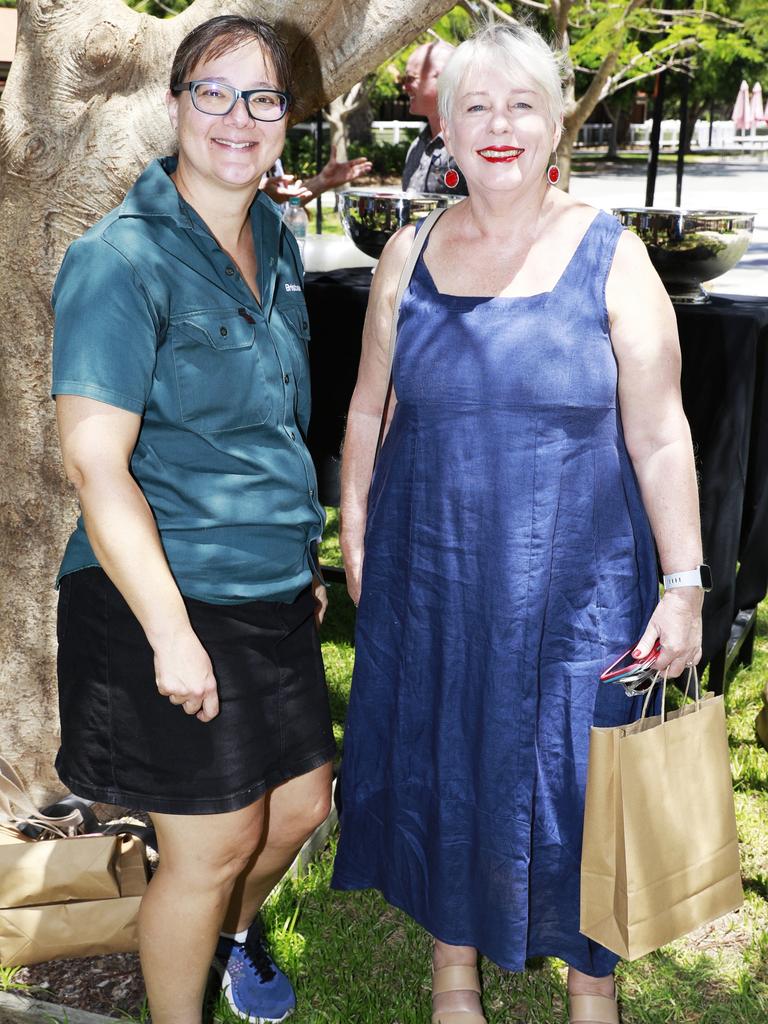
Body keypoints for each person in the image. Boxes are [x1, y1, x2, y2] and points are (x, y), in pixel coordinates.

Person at [332, 24, 707, 1024]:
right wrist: (359, 539)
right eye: (476, 107)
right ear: (444, 126)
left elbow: (663, 433)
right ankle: (454, 968)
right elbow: (371, 410)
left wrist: (685, 581)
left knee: (582, 779)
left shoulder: (612, 255)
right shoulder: (405, 254)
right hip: (434, 576)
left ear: (555, 124)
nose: (499, 128)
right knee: (446, 757)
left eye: (521, 106)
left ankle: (594, 987)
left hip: (581, 586)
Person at [51, 15, 335, 1024]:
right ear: (175, 106)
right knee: (211, 841)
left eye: (262, 98)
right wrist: (171, 636)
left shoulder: (279, 243)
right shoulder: (118, 260)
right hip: (156, 591)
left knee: (299, 807)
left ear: (286, 121)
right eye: (213, 91)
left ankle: (223, 934)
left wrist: (300, 559)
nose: (236, 117)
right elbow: (94, 462)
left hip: (266, 587)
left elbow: (271, 426)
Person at [401, 40, 468, 195]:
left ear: (446, 79)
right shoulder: (417, 146)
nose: (405, 87)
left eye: (410, 78)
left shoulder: (471, 146)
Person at [261, 146, 372, 205]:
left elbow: (293, 202)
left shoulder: (275, 162)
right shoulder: (246, 163)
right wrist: (258, 195)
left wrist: (323, 182)